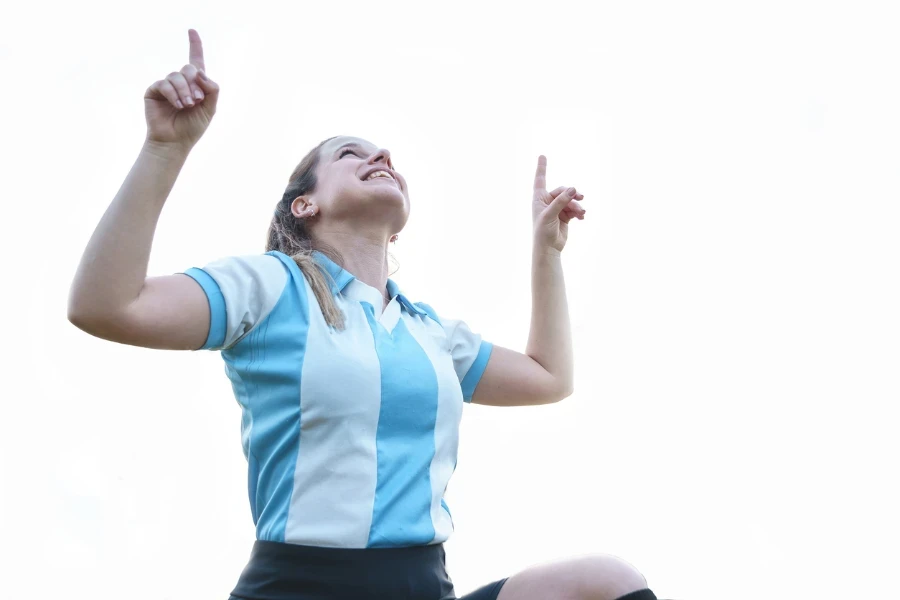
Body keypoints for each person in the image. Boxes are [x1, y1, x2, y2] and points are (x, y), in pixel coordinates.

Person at [68, 29, 664, 600]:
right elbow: (106, 306)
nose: (380, 154)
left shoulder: (427, 332)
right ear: (306, 204)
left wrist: (546, 253)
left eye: (382, 152)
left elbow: (549, 377)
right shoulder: (270, 286)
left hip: (424, 585)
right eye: (350, 154)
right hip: (300, 587)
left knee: (608, 582)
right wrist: (165, 148)